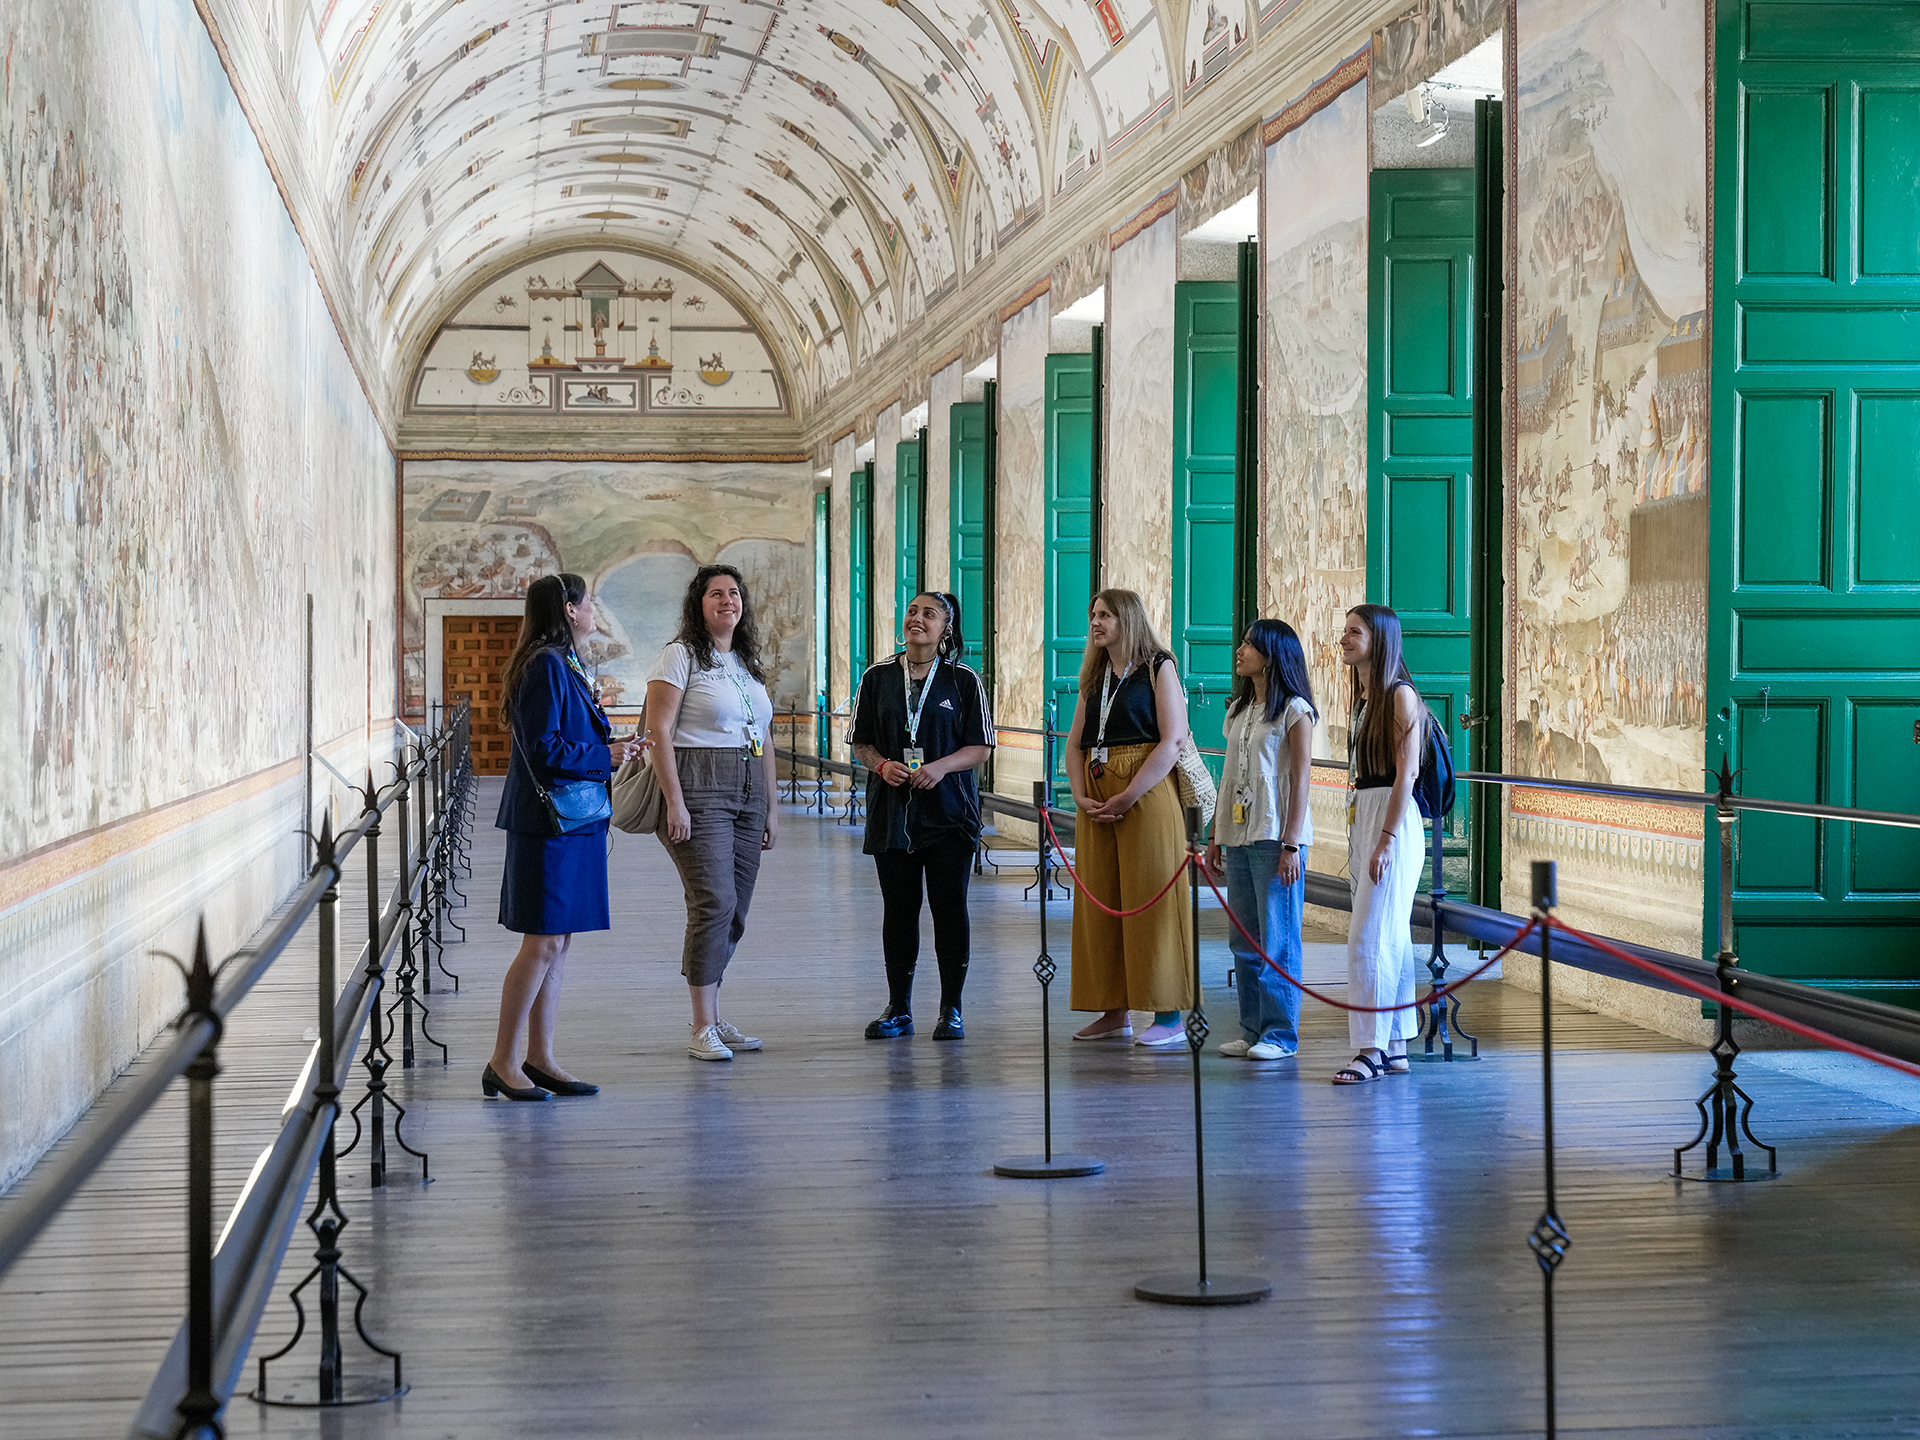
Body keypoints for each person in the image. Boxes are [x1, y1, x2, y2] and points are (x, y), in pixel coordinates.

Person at [486, 573, 638, 1101]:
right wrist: (607, 756)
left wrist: (610, 745)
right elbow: (542, 747)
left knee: (558, 943)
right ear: (570, 609)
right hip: (549, 823)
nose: (594, 609)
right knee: (543, 942)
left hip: (573, 821)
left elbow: (564, 736)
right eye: (588, 601)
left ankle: (540, 1057)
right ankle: (503, 1062)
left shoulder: (565, 662)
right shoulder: (547, 664)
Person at [646, 564, 779, 1062]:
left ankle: (716, 1016)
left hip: (748, 790)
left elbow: (763, 736)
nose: (728, 601)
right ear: (698, 605)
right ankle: (701, 1025)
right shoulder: (679, 656)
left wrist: (770, 808)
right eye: (716, 594)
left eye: (734, 593)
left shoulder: (745, 661)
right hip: (699, 786)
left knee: (736, 910)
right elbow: (658, 730)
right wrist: (675, 800)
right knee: (714, 902)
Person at [848, 592, 994, 1040]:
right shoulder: (876, 677)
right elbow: (860, 740)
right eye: (912, 611)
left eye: (929, 614)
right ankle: (899, 1006)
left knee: (950, 909)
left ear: (946, 628)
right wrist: (880, 764)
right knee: (899, 910)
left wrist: (940, 767)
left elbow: (981, 747)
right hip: (893, 815)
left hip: (949, 814)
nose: (917, 618)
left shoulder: (963, 680)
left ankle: (951, 1008)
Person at [1064, 589, 1195, 1048]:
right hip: (1098, 792)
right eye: (1093, 614)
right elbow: (1075, 743)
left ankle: (1168, 1013)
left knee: (1152, 898)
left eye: (1105, 615)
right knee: (1101, 901)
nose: (1095, 622)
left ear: (1129, 619)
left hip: (1144, 791)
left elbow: (1172, 740)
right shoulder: (1095, 675)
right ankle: (1113, 1008)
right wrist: (1080, 795)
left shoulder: (1160, 667)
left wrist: (1128, 795)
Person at [1203, 620, 1316, 1061]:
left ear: (1271, 655)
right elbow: (1228, 777)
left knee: (1278, 939)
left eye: (1249, 644)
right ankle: (1252, 1029)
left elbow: (1301, 779)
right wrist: (1215, 834)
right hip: (1238, 832)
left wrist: (1291, 843)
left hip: (1275, 836)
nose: (1240, 649)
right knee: (1243, 938)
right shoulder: (1238, 712)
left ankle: (1281, 1035)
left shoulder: (1295, 711)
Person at [1333, 603, 1426, 1084]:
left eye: (1354, 632)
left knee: (1367, 937)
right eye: (1344, 630)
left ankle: (1369, 1048)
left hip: (1392, 820)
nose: (1343, 638)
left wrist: (1386, 839)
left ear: (1380, 639)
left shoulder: (1399, 697)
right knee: (1390, 936)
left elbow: (1405, 773)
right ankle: (1394, 1044)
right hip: (1368, 812)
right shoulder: (1365, 697)